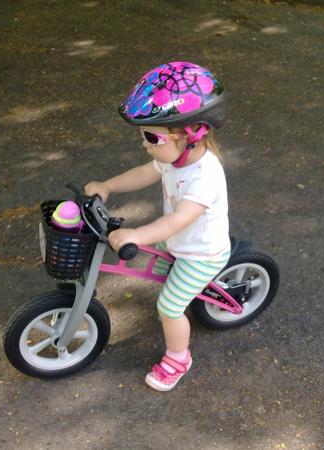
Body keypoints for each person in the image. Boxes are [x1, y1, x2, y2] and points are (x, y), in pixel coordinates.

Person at [85, 61, 231, 391]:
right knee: (159, 269)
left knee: (169, 306)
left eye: (152, 136)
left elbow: (177, 220)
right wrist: (108, 186)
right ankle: (177, 305)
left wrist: (137, 234)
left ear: (192, 134)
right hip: (178, 242)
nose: (145, 143)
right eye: (143, 135)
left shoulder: (204, 176)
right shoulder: (173, 158)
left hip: (201, 255)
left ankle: (178, 358)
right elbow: (143, 173)